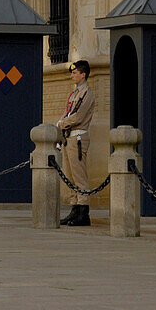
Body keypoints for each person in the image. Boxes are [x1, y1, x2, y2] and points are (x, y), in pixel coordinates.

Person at [56, 59, 95, 226]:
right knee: (70, 177)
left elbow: (78, 117)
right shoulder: (74, 93)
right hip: (68, 138)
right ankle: (74, 209)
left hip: (78, 138)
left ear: (83, 74)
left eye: (75, 72)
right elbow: (68, 112)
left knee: (79, 176)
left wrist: (61, 124)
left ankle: (83, 211)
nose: (72, 75)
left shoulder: (87, 93)